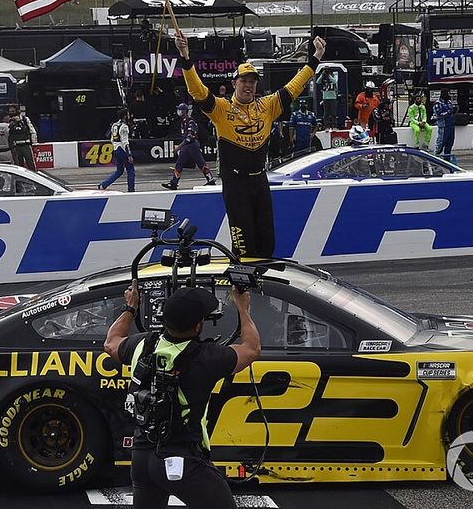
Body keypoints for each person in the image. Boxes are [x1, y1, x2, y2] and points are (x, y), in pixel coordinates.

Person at [104, 282, 260, 509]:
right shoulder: (207, 357)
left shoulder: (143, 344)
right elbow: (251, 348)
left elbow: (111, 342)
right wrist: (243, 308)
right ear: (198, 327)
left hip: (142, 459)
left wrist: (130, 307)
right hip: (183, 461)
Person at [177, 31, 326, 258]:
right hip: (235, 183)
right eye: (244, 81)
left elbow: (295, 86)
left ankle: (263, 278)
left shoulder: (268, 106)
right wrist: (185, 57)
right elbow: (197, 91)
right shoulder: (221, 108)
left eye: (252, 82)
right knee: (244, 246)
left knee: (267, 241)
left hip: (260, 180)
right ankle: (242, 279)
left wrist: (316, 58)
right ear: (234, 83)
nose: (248, 86)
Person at [163, 104, 216, 189]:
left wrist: (178, 147)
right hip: (186, 147)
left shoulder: (191, 121)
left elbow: (190, 137)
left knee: (201, 163)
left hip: (193, 146)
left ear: (184, 111)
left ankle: (210, 179)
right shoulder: (183, 121)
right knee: (179, 164)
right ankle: (174, 182)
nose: (178, 112)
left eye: (180, 110)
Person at [99, 109, 135, 192]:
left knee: (119, 171)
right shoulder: (124, 127)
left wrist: (115, 147)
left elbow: (111, 139)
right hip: (122, 149)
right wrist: (129, 154)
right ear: (125, 116)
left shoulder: (114, 125)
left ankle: (104, 184)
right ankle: (131, 190)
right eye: (128, 114)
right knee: (130, 170)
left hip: (116, 149)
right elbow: (125, 142)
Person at [7, 105, 36, 170]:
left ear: (18, 111)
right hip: (16, 146)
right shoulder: (9, 121)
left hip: (26, 145)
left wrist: (34, 144)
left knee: (31, 165)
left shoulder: (25, 119)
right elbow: (8, 134)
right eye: (10, 111)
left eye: (13, 111)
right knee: (19, 166)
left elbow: (32, 131)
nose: (11, 113)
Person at [433, 89, 457, 163]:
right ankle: (434, 160)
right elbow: (439, 114)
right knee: (440, 143)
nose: (449, 95)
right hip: (443, 126)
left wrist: (454, 110)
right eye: (448, 93)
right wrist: (448, 112)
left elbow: (452, 110)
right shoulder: (438, 103)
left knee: (450, 143)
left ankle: (447, 161)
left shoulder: (449, 102)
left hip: (451, 126)